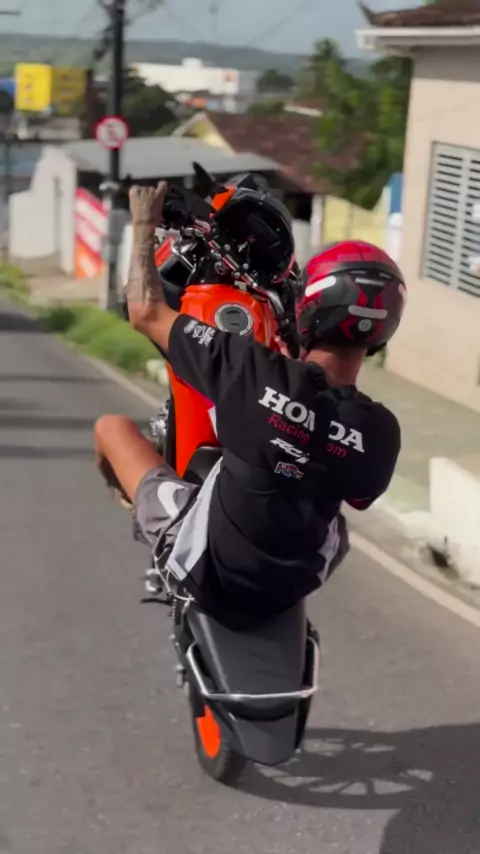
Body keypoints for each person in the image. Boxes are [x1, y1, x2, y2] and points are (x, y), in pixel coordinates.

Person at [94, 182, 405, 625]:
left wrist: (144, 223)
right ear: (383, 333)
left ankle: (147, 522)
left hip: (211, 574)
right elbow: (358, 495)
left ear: (307, 307)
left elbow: (145, 312)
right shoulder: (380, 431)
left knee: (111, 428)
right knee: (336, 517)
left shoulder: (251, 370)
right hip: (291, 589)